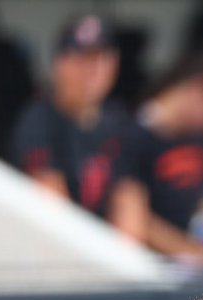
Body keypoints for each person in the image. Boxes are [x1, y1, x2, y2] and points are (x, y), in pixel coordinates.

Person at [9, 14, 140, 235]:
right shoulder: (38, 119)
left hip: (102, 255)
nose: (94, 69)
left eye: (102, 59)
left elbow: (129, 204)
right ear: (59, 63)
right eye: (83, 58)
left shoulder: (118, 122)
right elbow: (53, 214)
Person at [121, 45, 203, 264]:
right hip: (147, 266)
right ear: (200, 89)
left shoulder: (200, 137)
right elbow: (133, 219)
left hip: (189, 267)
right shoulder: (133, 135)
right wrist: (190, 251)